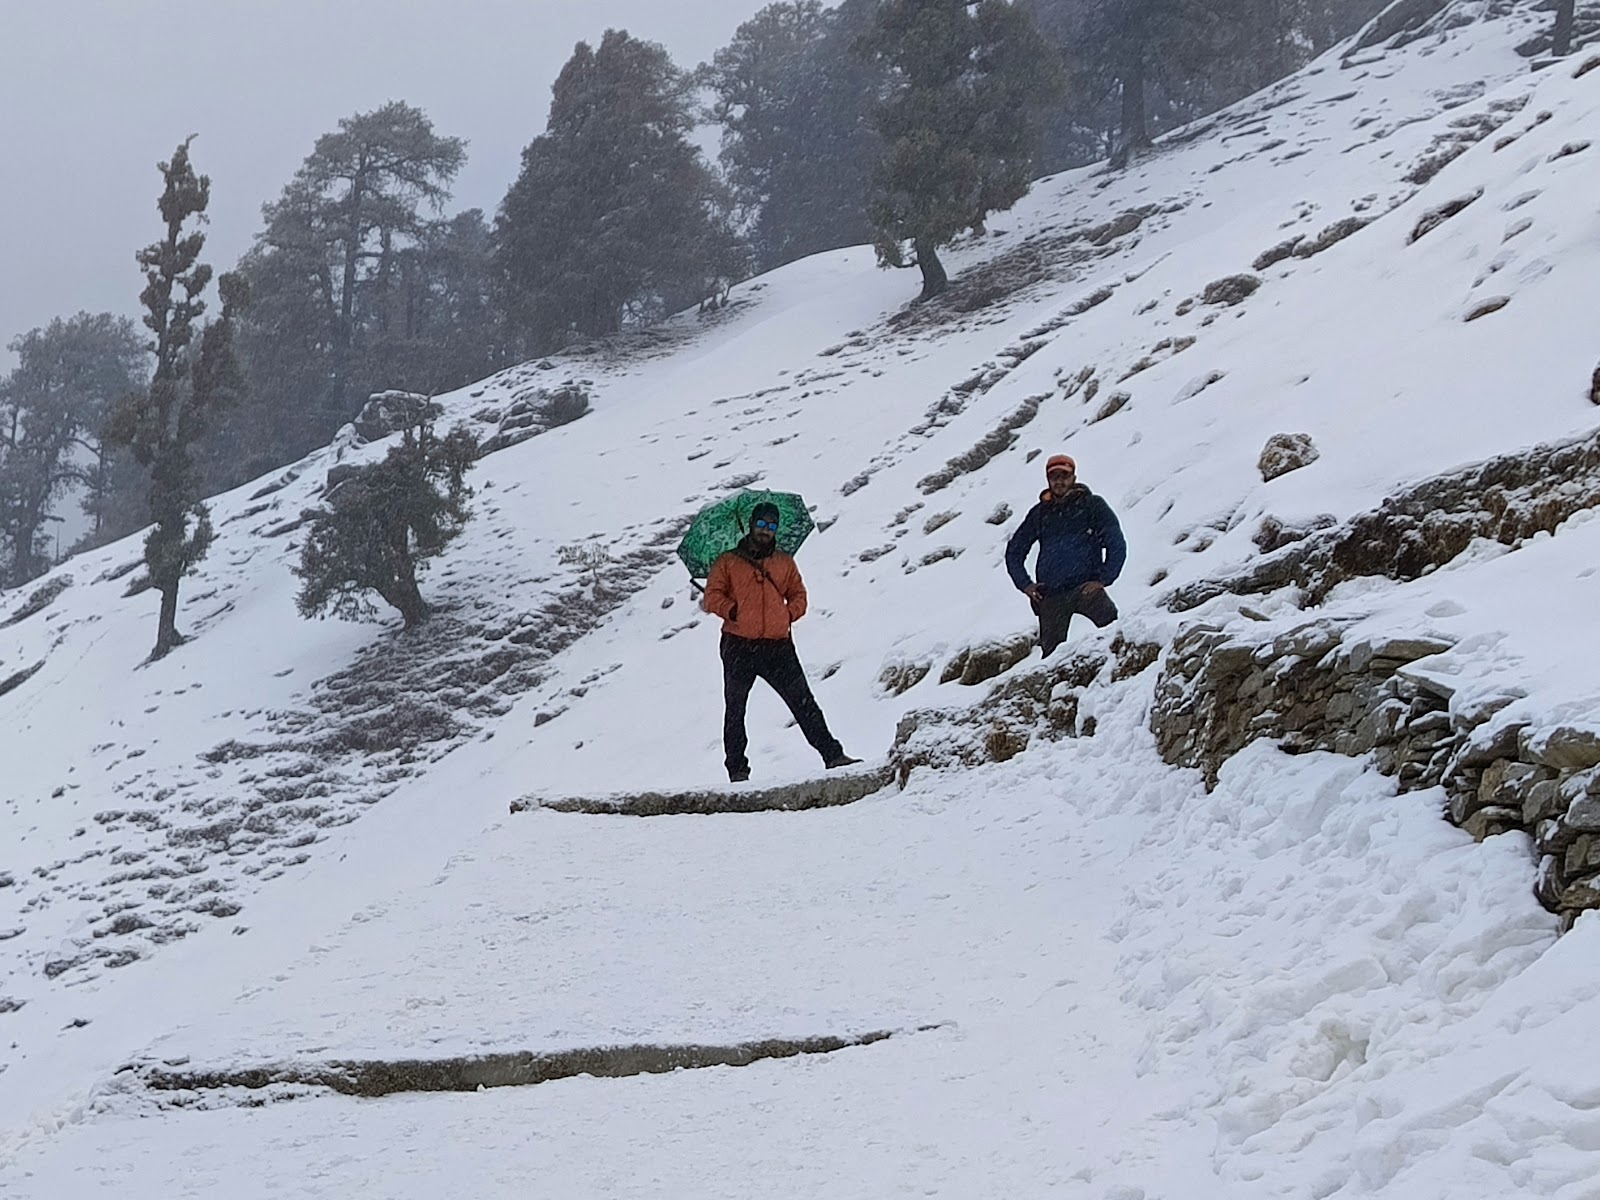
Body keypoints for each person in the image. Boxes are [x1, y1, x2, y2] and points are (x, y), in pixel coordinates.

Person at [702, 502, 860, 782]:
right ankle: (737, 771)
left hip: (778, 645)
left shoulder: (784, 562)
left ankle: (833, 755)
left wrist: (787, 613)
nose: (766, 531)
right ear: (751, 525)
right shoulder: (727, 561)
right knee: (735, 708)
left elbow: (799, 595)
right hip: (738, 644)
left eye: (771, 526)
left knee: (803, 703)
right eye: (762, 524)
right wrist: (732, 610)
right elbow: (712, 596)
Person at [1005, 454, 1127, 656]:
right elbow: (1015, 550)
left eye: (1064, 475)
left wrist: (1104, 579)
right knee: (1050, 659)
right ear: (1048, 479)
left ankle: (1121, 677)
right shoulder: (1040, 513)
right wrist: (1025, 585)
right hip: (1051, 594)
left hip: (1086, 588)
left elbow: (1116, 543)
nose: (1059, 481)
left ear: (1074, 477)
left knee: (1115, 635)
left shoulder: (1093, 505)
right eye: (1054, 477)